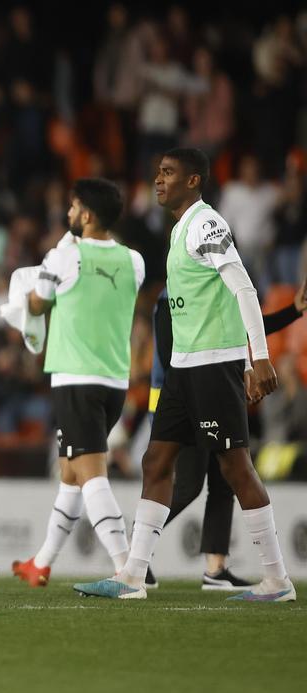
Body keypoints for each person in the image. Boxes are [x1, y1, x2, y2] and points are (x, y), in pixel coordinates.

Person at [75, 148, 295, 602]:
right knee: (155, 462)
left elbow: (244, 287)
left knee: (235, 469)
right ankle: (133, 576)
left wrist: (260, 357)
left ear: (194, 181)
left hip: (215, 366)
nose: (158, 179)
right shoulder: (179, 231)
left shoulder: (206, 224)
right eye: (157, 172)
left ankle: (277, 580)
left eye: (169, 173)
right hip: (184, 368)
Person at [11, 179, 146, 586]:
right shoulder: (134, 261)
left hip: (75, 377)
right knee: (71, 471)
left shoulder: (65, 256)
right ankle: (43, 561)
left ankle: (128, 571)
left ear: (86, 215)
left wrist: (29, 291)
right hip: (114, 380)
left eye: (71, 208)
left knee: (90, 474)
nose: (67, 215)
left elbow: (37, 302)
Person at [151, 278, 307, 590]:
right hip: (181, 401)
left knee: (224, 481)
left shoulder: (211, 290)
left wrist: (293, 310)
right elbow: (172, 357)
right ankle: (133, 549)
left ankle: (215, 567)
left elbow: (246, 325)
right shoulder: (170, 297)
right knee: (188, 486)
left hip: (213, 394)